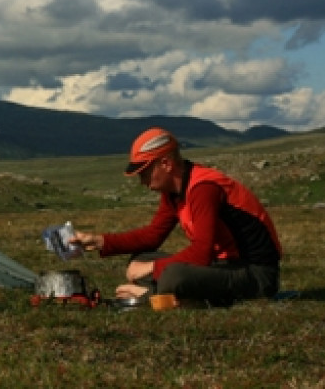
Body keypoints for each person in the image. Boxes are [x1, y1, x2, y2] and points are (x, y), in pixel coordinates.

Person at [70, 127, 282, 306]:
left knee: (173, 276)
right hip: (223, 266)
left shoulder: (203, 189)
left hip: (255, 273)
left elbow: (201, 253)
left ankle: (149, 297)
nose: (142, 181)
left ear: (166, 164)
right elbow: (153, 236)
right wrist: (98, 241)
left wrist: (152, 268)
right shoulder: (173, 192)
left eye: (145, 172)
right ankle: (169, 294)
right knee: (141, 257)